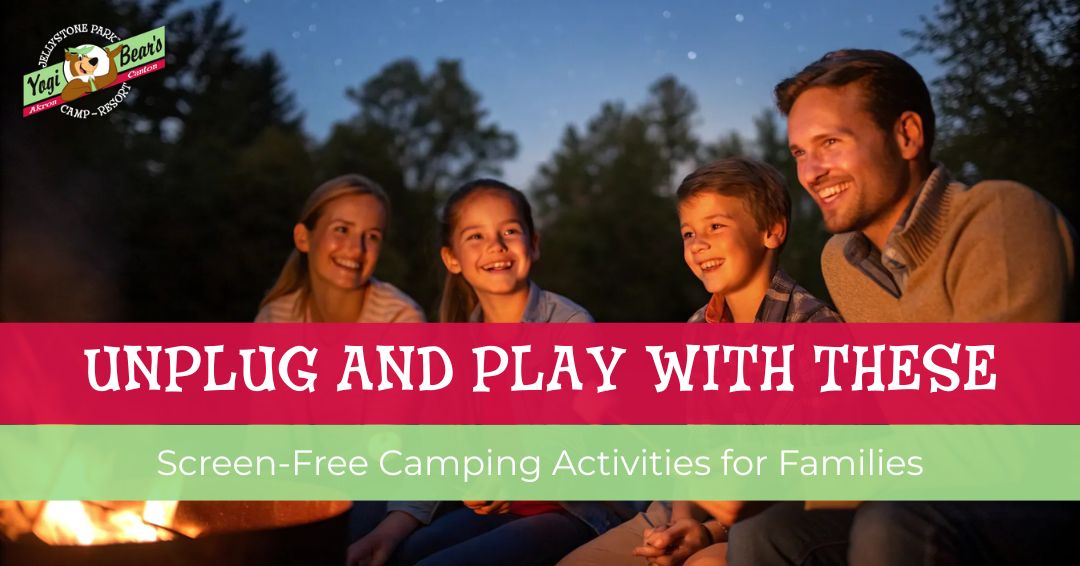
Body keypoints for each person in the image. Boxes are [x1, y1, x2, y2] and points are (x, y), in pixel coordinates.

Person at [724, 49, 1077, 565]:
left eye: (830, 143)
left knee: (894, 520)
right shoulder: (842, 261)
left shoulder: (999, 216)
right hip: (927, 488)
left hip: (1039, 487)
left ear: (907, 135)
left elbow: (995, 430)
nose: (812, 172)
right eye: (800, 152)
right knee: (764, 535)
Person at [558, 158, 840, 566]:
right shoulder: (697, 330)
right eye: (688, 232)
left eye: (715, 227)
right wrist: (682, 520)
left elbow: (803, 481)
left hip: (770, 517)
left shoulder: (812, 330)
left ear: (771, 230)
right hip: (690, 508)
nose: (697, 244)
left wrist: (710, 532)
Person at [346, 179, 638, 566]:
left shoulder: (568, 325)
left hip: (572, 509)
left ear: (533, 244)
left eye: (509, 231)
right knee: (398, 551)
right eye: (476, 236)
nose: (496, 245)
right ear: (452, 259)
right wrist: (389, 530)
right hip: (500, 508)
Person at [256, 173, 424, 323]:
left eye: (372, 236)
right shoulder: (275, 318)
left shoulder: (400, 320)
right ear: (303, 238)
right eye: (342, 230)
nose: (357, 249)